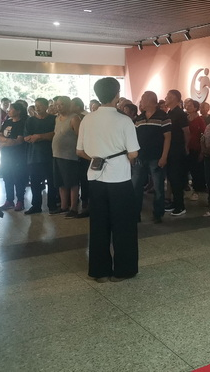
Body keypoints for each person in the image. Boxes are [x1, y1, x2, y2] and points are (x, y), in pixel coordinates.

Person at [77, 77, 140, 283]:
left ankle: (99, 271)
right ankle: (123, 270)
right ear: (117, 95)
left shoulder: (87, 119)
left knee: (98, 225)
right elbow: (133, 153)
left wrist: (98, 157)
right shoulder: (124, 120)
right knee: (123, 225)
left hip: (95, 178)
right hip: (119, 179)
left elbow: (80, 151)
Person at [132, 91, 171, 223]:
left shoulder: (163, 116)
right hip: (140, 157)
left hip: (156, 157)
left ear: (150, 100)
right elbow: (135, 138)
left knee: (158, 187)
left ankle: (158, 214)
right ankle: (135, 213)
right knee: (136, 186)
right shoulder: (139, 118)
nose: (141, 102)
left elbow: (167, 138)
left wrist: (164, 156)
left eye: (142, 99)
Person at [23, 97, 58, 214]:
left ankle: (52, 205)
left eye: (40, 105)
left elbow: (55, 134)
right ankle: (36, 206)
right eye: (36, 105)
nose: (37, 108)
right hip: (34, 156)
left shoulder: (53, 119)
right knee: (35, 182)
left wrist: (39, 136)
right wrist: (41, 137)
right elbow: (27, 137)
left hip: (50, 155)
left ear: (46, 106)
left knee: (52, 182)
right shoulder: (30, 120)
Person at [52, 96, 82, 217]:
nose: (58, 107)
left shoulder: (74, 118)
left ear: (68, 105)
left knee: (72, 182)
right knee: (60, 182)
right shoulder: (57, 118)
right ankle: (64, 206)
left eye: (62, 104)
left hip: (70, 156)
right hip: (57, 155)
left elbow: (80, 137)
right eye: (57, 104)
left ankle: (73, 208)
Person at [0, 103, 29, 211]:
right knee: (7, 177)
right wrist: (7, 141)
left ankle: (20, 201)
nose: (8, 111)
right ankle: (9, 200)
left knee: (18, 178)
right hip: (5, 155)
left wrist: (4, 142)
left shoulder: (22, 123)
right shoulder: (7, 122)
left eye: (11, 109)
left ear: (18, 111)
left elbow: (19, 141)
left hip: (18, 155)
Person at [165, 89, 189, 216]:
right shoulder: (170, 112)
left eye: (168, 96)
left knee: (176, 177)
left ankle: (180, 206)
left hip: (177, 149)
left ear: (174, 97)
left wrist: (185, 147)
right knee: (171, 177)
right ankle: (175, 202)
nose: (166, 98)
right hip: (170, 149)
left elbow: (186, 132)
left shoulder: (180, 113)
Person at [185, 99, 207, 199]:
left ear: (195, 108)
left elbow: (204, 135)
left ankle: (197, 191)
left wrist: (202, 150)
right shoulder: (185, 119)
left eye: (190, 105)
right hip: (186, 147)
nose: (187, 107)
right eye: (187, 105)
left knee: (196, 170)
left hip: (196, 148)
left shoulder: (200, 120)